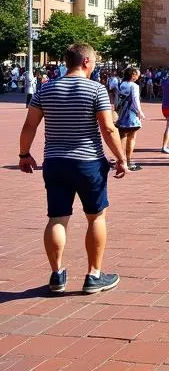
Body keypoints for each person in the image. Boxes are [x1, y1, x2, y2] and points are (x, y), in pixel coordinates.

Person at [18, 42, 127, 295]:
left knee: (57, 218)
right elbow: (108, 128)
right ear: (87, 62)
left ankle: (57, 274)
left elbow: (29, 125)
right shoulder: (96, 90)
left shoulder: (46, 89)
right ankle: (94, 275)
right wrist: (121, 157)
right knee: (96, 216)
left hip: (55, 162)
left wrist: (24, 154)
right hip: (88, 162)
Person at [115, 67, 145, 171]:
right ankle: (129, 160)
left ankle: (120, 159)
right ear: (133, 75)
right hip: (131, 114)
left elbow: (117, 99)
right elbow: (136, 100)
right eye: (137, 74)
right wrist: (139, 112)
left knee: (122, 136)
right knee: (132, 137)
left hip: (122, 113)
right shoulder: (134, 86)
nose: (138, 76)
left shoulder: (121, 84)